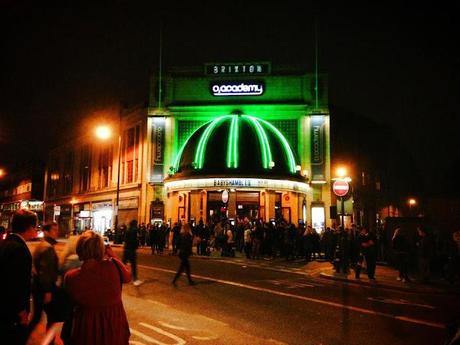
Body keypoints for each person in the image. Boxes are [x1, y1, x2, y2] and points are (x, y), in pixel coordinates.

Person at [64, 231, 131, 345]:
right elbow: (127, 277)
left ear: (80, 249)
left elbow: (70, 305)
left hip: (88, 327)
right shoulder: (114, 266)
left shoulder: (71, 277)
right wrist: (112, 254)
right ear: (101, 249)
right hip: (114, 323)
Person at [0, 209, 38, 345]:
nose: (36, 230)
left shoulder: (6, 244)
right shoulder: (19, 250)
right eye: (35, 227)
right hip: (11, 314)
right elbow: (17, 284)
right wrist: (21, 312)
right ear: (29, 227)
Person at [29, 222, 60, 336]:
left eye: (57, 230)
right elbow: (45, 271)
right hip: (44, 288)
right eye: (54, 230)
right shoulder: (47, 248)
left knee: (38, 317)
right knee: (51, 317)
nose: (57, 233)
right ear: (46, 232)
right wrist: (47, 291)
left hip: (39, 287)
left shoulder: (44, 245)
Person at [123, 219, 143, 286]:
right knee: (133, 265)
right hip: (131, 250)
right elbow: (134, 240)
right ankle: (135, 279)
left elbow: (126, 239)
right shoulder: (134, 230)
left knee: (123, 264)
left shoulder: (128, 230)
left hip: (126, 249)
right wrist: (137, 244)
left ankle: (119, 276)